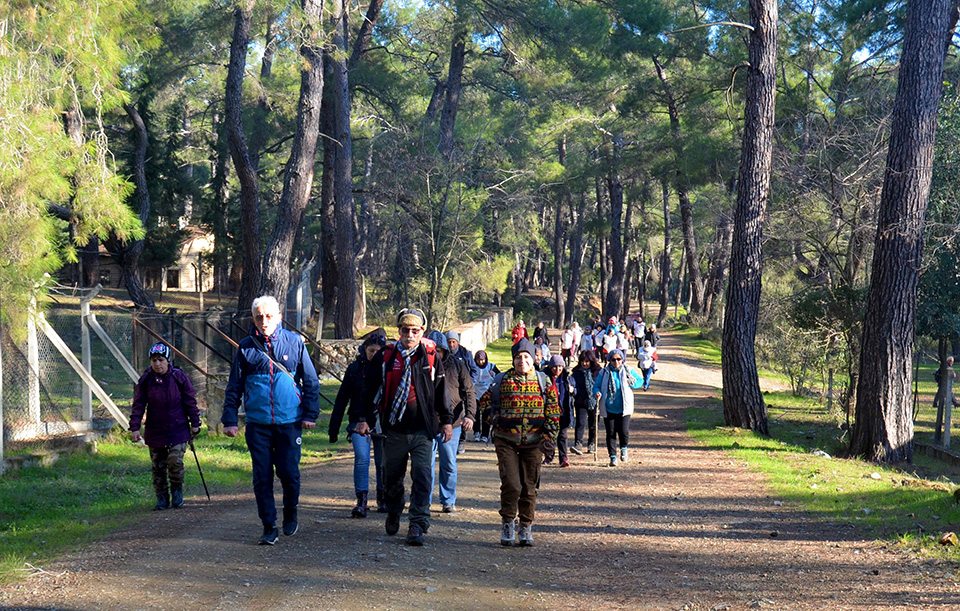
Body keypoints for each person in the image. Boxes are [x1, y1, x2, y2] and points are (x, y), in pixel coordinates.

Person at [222, 295, 320, 545]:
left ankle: (291, 512)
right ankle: (268, 525)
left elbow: (310, 380)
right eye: (258, 317)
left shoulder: (295, 342)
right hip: (258, 424)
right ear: (253, 319)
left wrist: (310, 414)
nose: (263, 321)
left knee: (289, 473)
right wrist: (230, 419)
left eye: (268, 316)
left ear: (278, 317)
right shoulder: (246, 346)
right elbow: (235, 385)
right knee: (262, 476)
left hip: (289, 422)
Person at [358, 308, 453, 546]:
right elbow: (368, 390)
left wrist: (447, 421)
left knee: (422, 476)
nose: (410, 335)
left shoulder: (430, 356)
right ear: (398, 331)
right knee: (392, 478)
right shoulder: (386, 357)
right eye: (405, 330)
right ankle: (394, 510)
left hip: (423, 430)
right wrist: (363, 419)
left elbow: (442, 392)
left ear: (422, 332)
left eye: (415, 330)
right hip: (394, 430)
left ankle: (418, 524)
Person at [479, 338, 560, 546]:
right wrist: (492, 419)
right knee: (511, 484)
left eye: (526, 357)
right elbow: (484, 404)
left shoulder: (544, 382)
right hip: (506, 441)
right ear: (513, 360)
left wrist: (549, 438)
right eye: (517, 357)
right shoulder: (502, 381)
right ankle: (507, 522)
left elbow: (553, 413)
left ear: (533, 359)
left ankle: (525, 525)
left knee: (529, 486)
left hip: (534, 443)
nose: (521, 361)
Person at [129, 343, 201, 511]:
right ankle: (162, 498)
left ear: (168, 360)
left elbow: (190, 401)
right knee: (158, 466)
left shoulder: (179, 377)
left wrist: (195, 423)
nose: (157, 364)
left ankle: (177, 492)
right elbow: (138, 405)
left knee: (175, 462)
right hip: (155, 430)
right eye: (154, 360)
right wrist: (134, 427)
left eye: (161, 360)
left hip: (178, 429)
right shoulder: (146, 380)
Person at [329, 334, 387, 518]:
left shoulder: (388, 370)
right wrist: (333, 430)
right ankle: (361, 500)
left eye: (378, 352)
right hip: (358, 420)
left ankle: (382, 498)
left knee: (381, 461)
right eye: (371, 351)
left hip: (381, 421)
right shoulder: (355, 369)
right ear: (365, 350)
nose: (374, 355)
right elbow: (342, 398)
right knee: (362, 458)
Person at [427, 331, 477, 513]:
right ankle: (424, 500)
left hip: (453, 423)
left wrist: (470, 415)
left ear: (445, 350)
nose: (435, 354)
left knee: (448, 463)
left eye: (438, 350)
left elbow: (470, 391)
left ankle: (448, 499)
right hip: (428, 423)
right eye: (432, 350)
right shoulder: (421, 366)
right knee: (426, 464)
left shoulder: (457, 366)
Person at [593, 349, 642, 467]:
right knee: (610, 432)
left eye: (619, 359)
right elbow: (596, 386)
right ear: (609, 360)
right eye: (613, 360)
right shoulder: (604, 372)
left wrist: (630, 381)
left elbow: (639, 381)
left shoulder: (627, 370)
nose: (616, 362)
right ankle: (613, 456)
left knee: (624, 431)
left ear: (622, 359)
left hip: (624, 407)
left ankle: (624, 447)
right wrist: (597, 393)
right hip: (608, 407)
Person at [445, 330, 478, 453]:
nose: (451, 345)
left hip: (465, 386)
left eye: (453, 342)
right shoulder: (444, 355)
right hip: (453, 388)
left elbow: (474, 370)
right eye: (449, 342)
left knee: (463, 415)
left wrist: (470, 384)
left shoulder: (465, 354)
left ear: (457, 342)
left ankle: (461, 440)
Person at [545, 355, 574, 468]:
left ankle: (563, 458)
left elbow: (576, 389)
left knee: (562, 435)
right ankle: (549, 456)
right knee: (549, 434)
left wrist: (573, 390)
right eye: (554, 367)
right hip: (550, 411)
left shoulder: (567, 377)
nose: (557, 370)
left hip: (563, 410)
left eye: (560, 367)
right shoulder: (545, 377)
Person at [570, 350, 599, 455]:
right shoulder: (576, 372)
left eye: (587, 361)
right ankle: (578, 443)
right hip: (580, 401)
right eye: (583, 361)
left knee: (593, 424)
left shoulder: (598, 371)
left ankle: (592, 443)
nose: (585, 363)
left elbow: (601, 384)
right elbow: (572, 382)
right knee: (580, 423)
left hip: (594, 401)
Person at [472, 350, 500, 442]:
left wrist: (494, 375)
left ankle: (485, 434)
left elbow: (499, 376)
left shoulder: (491, 367)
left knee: (486, 414)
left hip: (487, 393)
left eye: (482, 360)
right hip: (475, 393)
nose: (481, 362)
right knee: (475, 414)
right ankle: (476, 432)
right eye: (479, 360)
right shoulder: (472, 366)